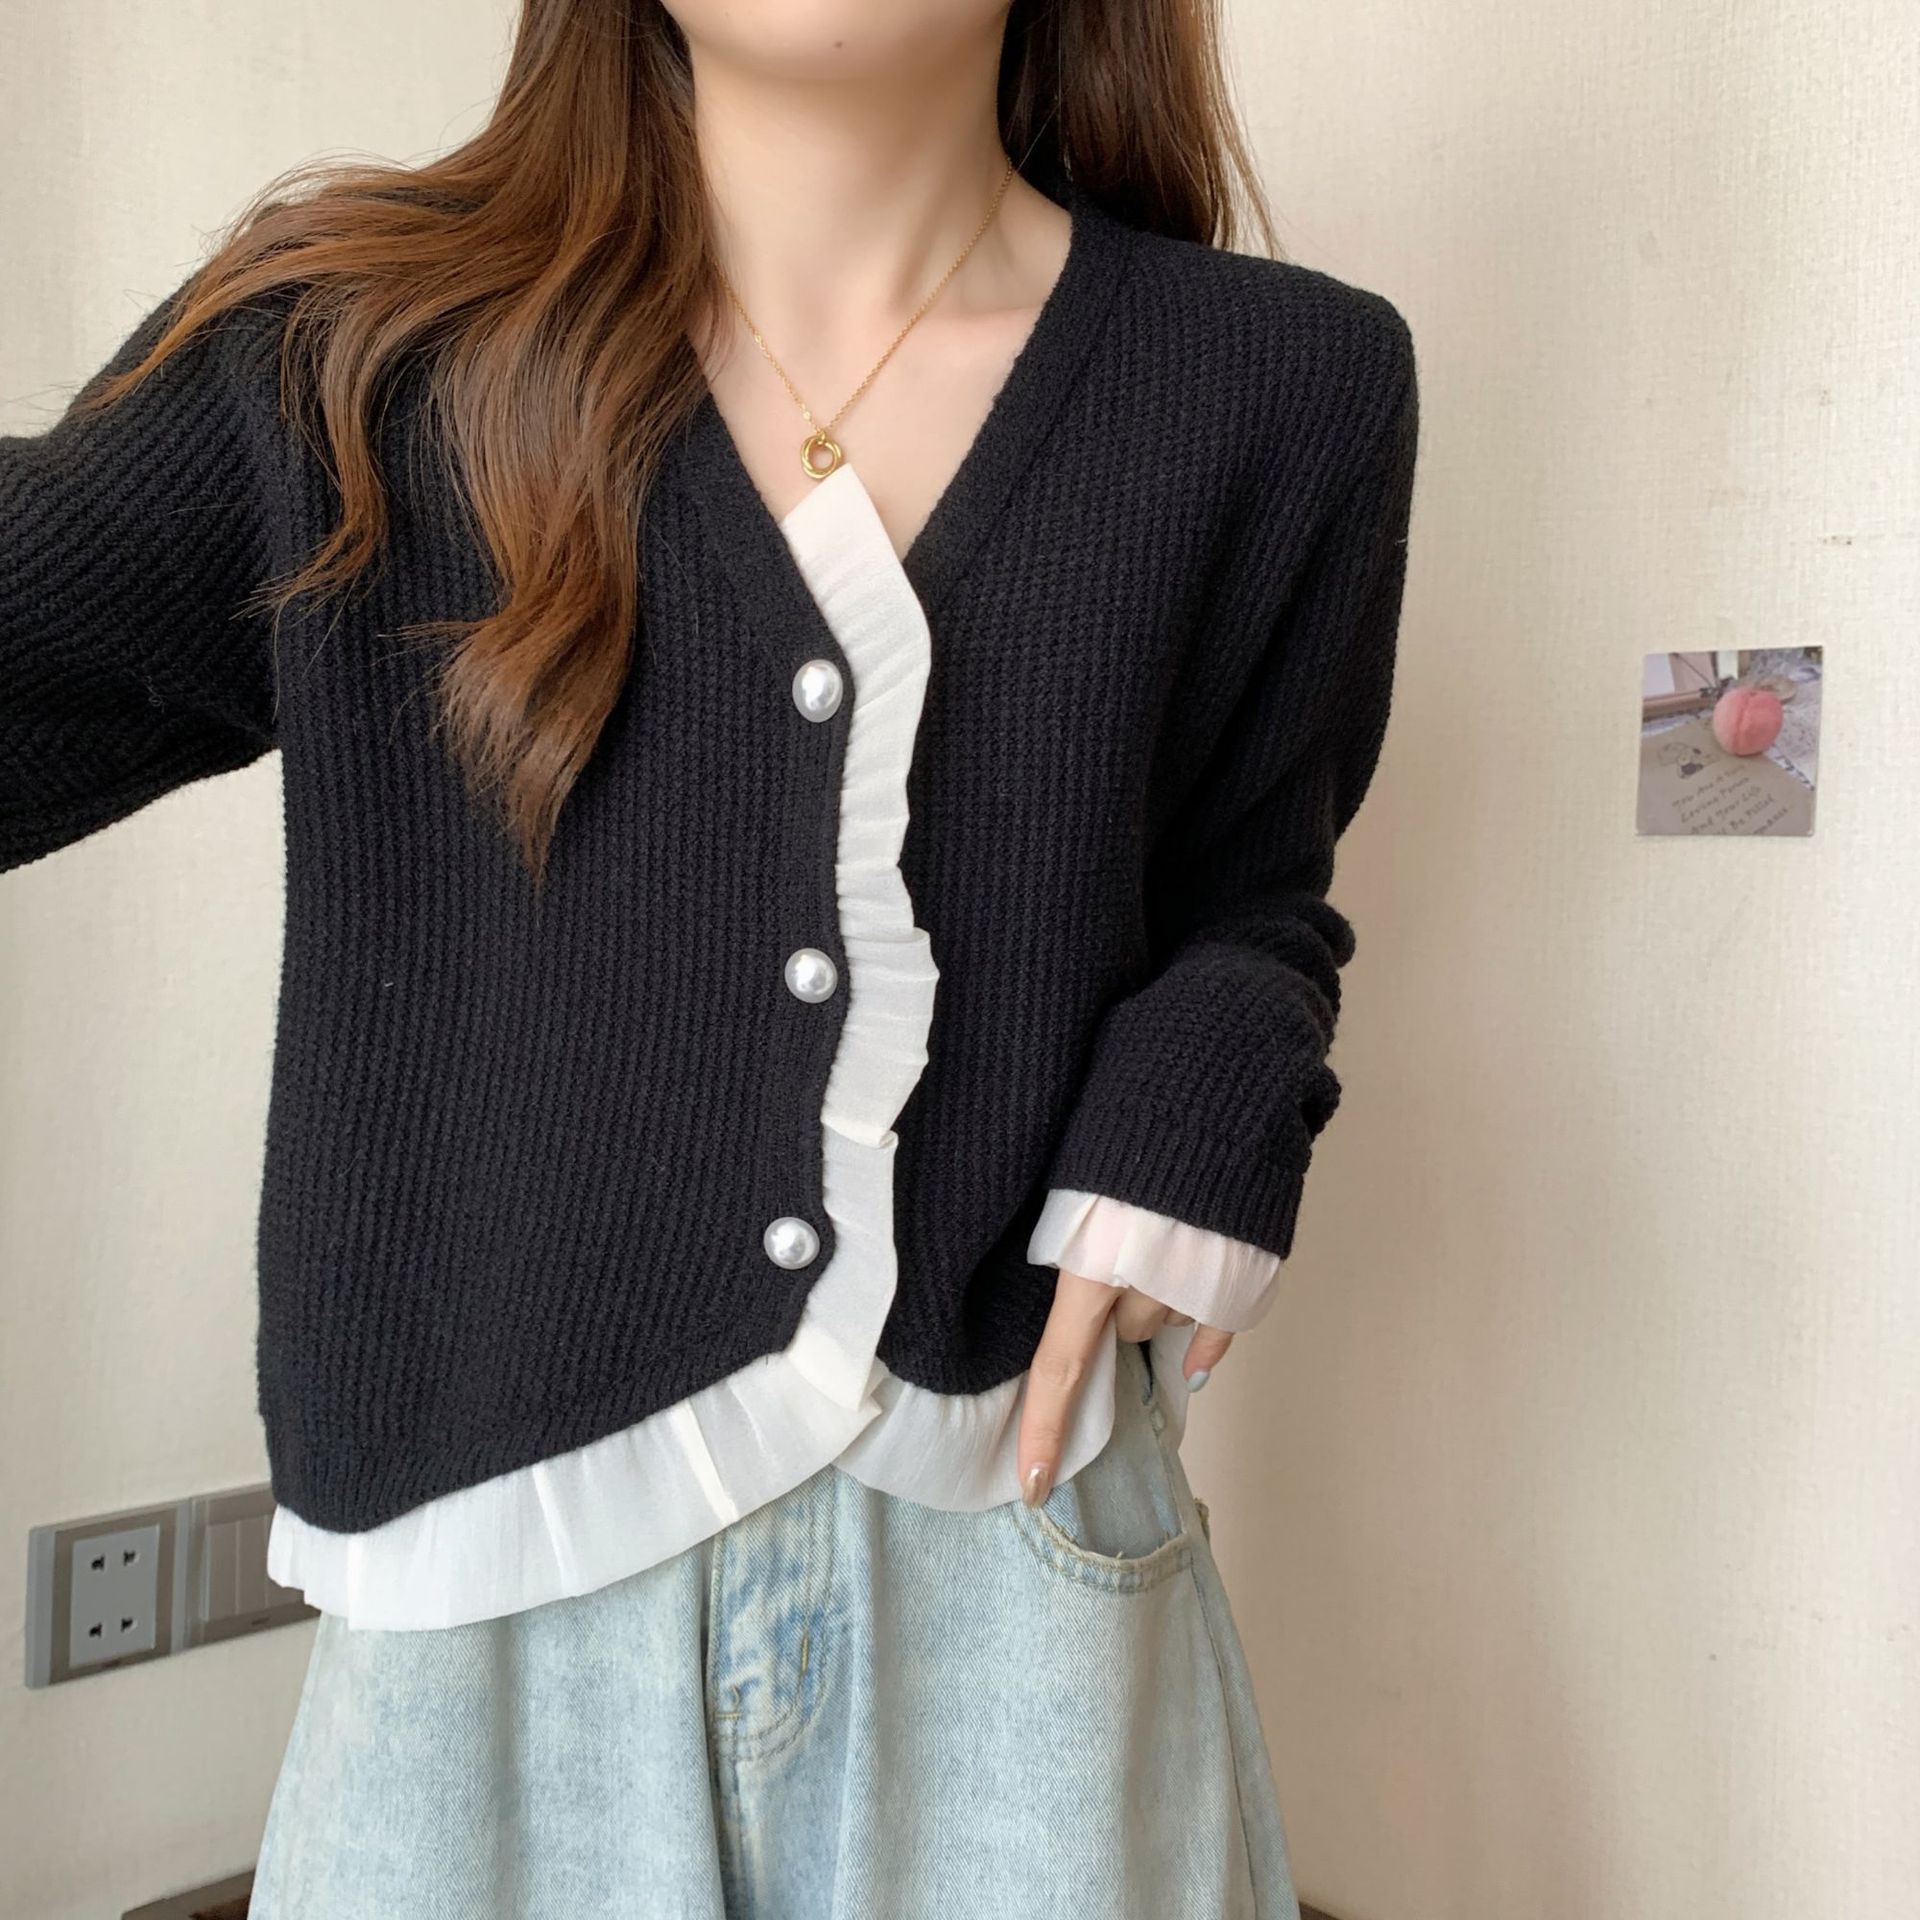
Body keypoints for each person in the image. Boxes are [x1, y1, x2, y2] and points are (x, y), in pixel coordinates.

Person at [0, 1, 1420, 1913]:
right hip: (487, 1598)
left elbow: (1259, 886)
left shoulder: (1282, 384)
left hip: (1019, 1553)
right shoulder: (348, 356)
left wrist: (1212, 1094)